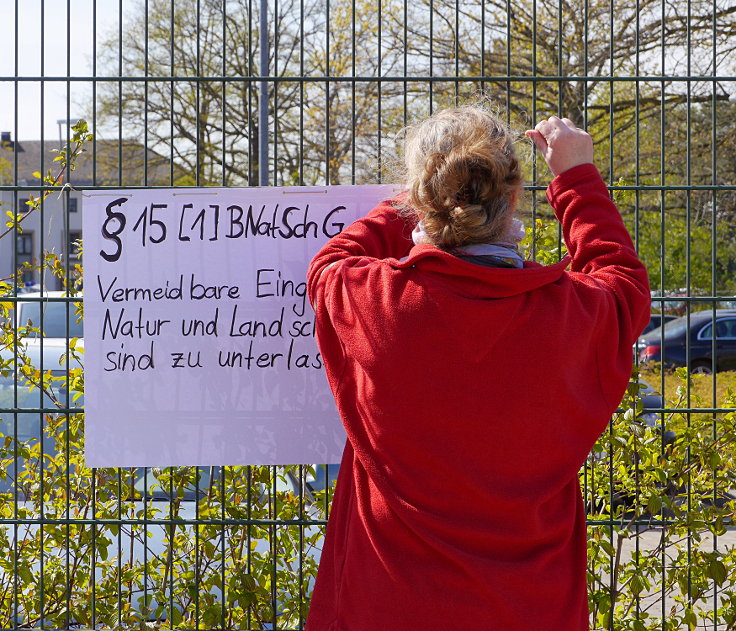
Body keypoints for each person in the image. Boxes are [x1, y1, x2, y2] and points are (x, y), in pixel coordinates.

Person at [305, 107, 650, 631]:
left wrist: (408, 203)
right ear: (512, 195)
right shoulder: (572, 315)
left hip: (387, 608)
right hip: (533, 610)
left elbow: (330, 262)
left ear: (421, 199)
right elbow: (622, 280)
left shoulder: (374, 298)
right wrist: (576, 177)